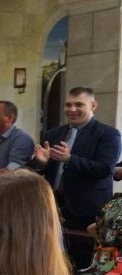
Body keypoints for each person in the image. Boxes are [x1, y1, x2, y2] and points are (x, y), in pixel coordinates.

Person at [32, 86, 122, 231]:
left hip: (88, 211)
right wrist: (41, 163)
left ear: (93, 106)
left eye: (79, 104)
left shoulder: (108, 134)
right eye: (68, 105)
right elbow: (37, 168)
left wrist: (69, 159)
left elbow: (105, 169)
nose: (72, 109)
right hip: (52, 207)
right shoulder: (53, 134)